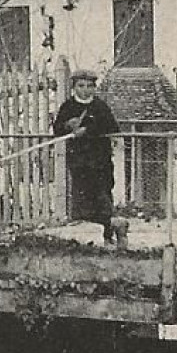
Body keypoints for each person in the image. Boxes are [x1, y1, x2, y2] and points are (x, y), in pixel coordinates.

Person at [52, 69, 124, 245]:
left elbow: (112, 127)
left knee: (103, 196)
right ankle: (105, 231)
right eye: (81, 86)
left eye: (90, 86)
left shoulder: (100, 107)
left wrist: (89, 130)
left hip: (100, 162)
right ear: (74, 87)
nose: (85, 90)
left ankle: (110, 234)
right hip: (79, 163)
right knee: (84, 202)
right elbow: (57, 130)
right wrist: (69, 125)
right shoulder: (68, 107)